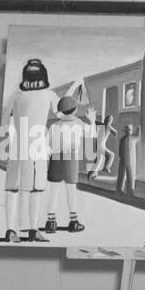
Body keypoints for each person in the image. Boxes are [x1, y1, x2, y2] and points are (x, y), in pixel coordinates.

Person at [1, 57, 57, 242]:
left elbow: (4, 120)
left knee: (13, 188)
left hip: (19, 145)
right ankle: (33, 230)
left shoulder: (16, 95)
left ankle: (11, 230)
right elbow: (62, 111)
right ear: (44, 76)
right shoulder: (49, 94)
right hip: (38, 147)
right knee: (36, 190)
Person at [44, 96, 92, 233]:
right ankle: (73, 222)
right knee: (71, 191)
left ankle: (51, 222)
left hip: (55, 158)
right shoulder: (78, 123)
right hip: (70, 159)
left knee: (53, 191)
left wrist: (48, 159)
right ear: (75, 110)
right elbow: (91, 133)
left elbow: (47, 145)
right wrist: (92, 121)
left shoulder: (54, 126)